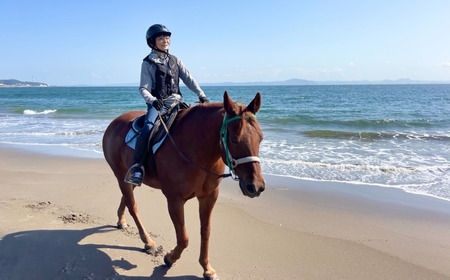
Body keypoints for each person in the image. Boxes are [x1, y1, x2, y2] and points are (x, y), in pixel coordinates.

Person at [125, 24, 209, 186]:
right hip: (158, 104)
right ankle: (137, 167)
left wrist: (201, 94)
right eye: (161, 38)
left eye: (167, 37)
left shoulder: (175, 60)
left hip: (177, 102)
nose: (166, 40)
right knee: (148, 128)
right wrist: (152, 100)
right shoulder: (148, 62)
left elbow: (189, 79)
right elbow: (143, 88)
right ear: (152, 42)